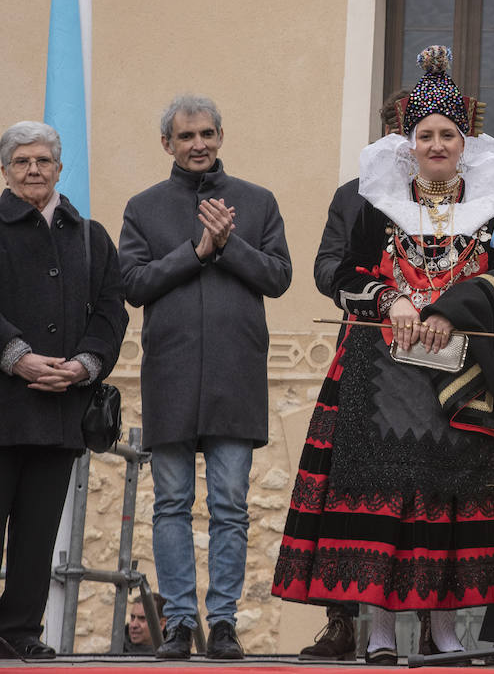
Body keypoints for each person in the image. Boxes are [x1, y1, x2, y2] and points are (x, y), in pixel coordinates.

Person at [272, 46, 494, 664]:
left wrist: (450, 309)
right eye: (425, 135)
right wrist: (389, 299)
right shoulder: (374, 202)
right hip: (380, 368)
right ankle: (383, 635)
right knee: (381, 495)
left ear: (465, 142)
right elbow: (338, 270)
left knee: (447, 496)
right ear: (406, 141)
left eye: (447, 134)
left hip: (461, 370)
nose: (436, 145)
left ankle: (443, 634)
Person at [120, 96, 291, 660]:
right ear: (167, 144)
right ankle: (177, 623)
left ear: (221, 136)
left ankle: (221, 623)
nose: (199, 144)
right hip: (169, 374)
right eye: (186, 136)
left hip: (235, 373)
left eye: (208, 134)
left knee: (230, 506)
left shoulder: (257, 202)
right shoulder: (143, 208)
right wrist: (197, 250)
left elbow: (278, 277)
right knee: (170, 503)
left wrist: (228, 244)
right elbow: (134, 284)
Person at [0, 122, 128, 661]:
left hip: (61, 410)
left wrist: (83, 366)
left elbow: (111, 310)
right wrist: (17, 358)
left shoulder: (91, 235)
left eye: (44, 161)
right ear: (6, 170)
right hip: (6, 404)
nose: (34, 170)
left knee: (37, 530)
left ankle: (20, 630)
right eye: (22, 161)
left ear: (59, 167)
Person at [295, 88, 408, 663]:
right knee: (347, 488)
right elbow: (325, 267)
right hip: (367, 347)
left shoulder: (464, 197)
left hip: (441, 356)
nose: (404, 136)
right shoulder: (354, 195)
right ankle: (342, 620)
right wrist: (372, 295)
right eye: (395, 125)